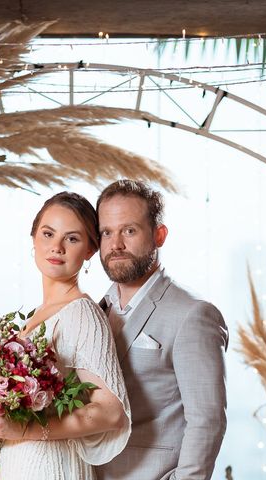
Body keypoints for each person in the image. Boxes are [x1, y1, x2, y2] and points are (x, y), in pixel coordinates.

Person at [0, 191, 131, 480]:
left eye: (72, 238)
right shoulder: (35, 316)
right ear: (33, 238)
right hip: (20, 463)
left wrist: (24, 429)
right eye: (48, 234)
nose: (56, 247)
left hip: (53, 468)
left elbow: (111, 412)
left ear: (90, 251)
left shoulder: (82, 313)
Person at [94, 180, 228, 480]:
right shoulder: (93, 311)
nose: (116, 244)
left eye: (129, 231)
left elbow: (207, 422)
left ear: (159, 235)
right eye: (107, 232)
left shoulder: (194, 314)